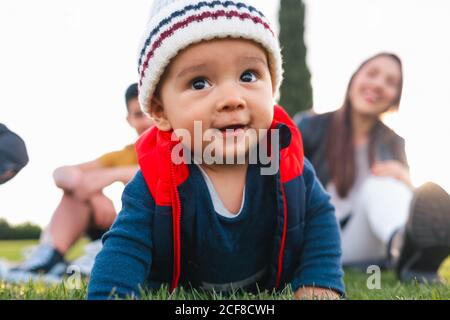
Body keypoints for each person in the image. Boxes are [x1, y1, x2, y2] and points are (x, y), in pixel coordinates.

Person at [88, 0, 345, 300]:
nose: (232, 98)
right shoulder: (156, 177)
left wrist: (320, 280)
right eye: (200, 82)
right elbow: (126, 245)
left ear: (272, 88)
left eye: (249, 76)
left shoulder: (287, 161)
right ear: (160, 111)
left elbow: (320, 217)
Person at [296, 53, 450, 282]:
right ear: (354, 77)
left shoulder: (394, 142)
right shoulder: (310, 126)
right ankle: (406, 254)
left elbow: (399, 204)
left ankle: (405, 250)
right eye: (372, 74)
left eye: (390, 82)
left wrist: (405, 181)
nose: (378, 84)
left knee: (384, 182)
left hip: (369, 243)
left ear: (395, 97)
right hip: (317, 238)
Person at [6, 83, 154, 281]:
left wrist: (114, 174)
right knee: (76, 194)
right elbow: (61, 173)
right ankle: (49, 258)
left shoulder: (181, 145)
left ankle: (98, 260)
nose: (147, 121)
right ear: (129, 120)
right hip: (119, 226)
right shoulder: (123, 155)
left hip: (155, 230)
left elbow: (163, 173)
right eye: (138, 114)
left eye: (150, 112)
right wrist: (91, 192)